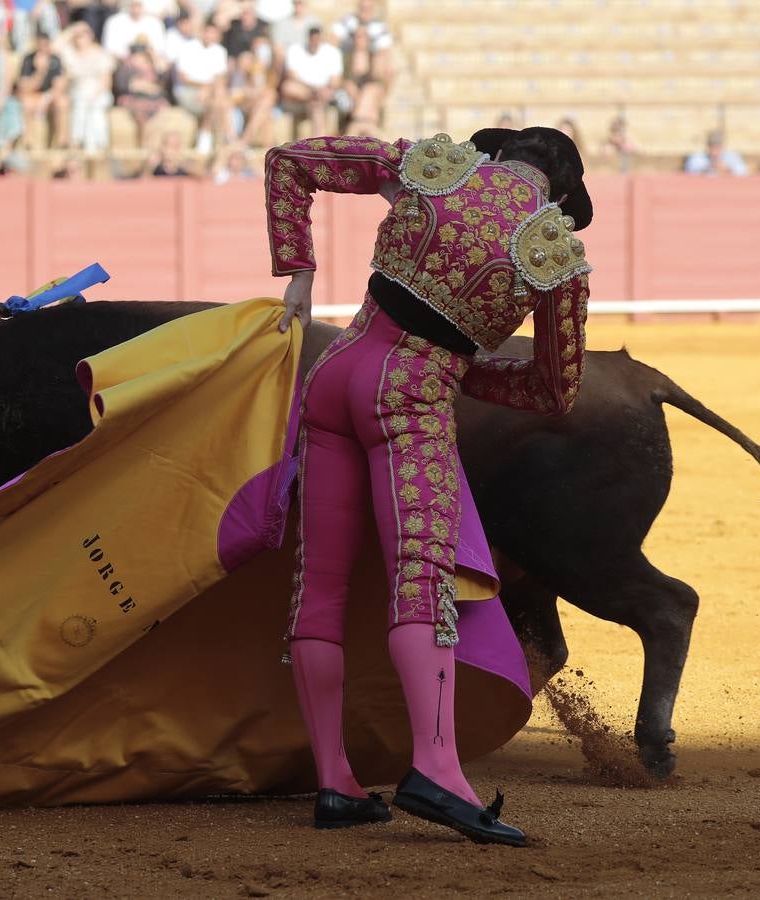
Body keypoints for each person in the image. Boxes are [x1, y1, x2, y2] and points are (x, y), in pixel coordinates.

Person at [267, 126, 593, 844]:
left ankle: (335, 783)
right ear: (562, 192)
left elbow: (291, 162)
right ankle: (438, 771)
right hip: (409, 397)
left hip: (334, 373)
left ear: (502, 152)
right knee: (419, 579)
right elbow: (553, 391)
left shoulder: (436, 166)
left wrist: (299, 273)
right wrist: (460, 368)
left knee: (318, 583)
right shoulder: (557, 252)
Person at [55, 21, 117, 151]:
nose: (80, 39)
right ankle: (78, 142)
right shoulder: (70, 54)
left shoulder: (101, 54)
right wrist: (73, 29)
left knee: (95, 109)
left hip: (99, 92)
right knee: (80, 105)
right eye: (77, 36)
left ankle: (99, 144)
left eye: (83, 35)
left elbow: (106, 82)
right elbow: (55, 45)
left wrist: (93, 95)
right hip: (78, 92)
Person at [172, 20, 232, 150]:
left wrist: (207, 89)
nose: (210, 36)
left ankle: (207, 139)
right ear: (202, 32)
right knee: (220, 100)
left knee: (216, 100)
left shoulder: (220, 51)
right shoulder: (188, 47)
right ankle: (229, 138)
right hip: (188, 91)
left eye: (213, 33)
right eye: (208, 32)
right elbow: (182, 78)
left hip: (209, 92)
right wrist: (205, 87)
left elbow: (220, 78)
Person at [279, 25, 342, 137]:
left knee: (316, 103)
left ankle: (316, 143)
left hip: (321, 93)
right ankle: (317, 146)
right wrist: (314, 90)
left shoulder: (333, 52)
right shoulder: (295, 49)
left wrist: (321, 91)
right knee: (290, 88)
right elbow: (291, 76)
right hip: (304, 92)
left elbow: (335, 82)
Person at [18, 29, 70, 148]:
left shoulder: (56, 60)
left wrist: (46, 99)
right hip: (33, 96)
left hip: (50, 96)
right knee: (25, 103)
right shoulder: (28, 59)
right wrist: (40, 72)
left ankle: (61, 141)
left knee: (62, 102)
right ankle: (27, 141)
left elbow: (59, 86)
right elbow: (25, 88)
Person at [114, 43, 168, 134]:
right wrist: (149, 87)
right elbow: (131, 86)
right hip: (133, 99)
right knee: (141, 115)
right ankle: (144, 143)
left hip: (154, 100)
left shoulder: (153, 67)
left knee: (163, 114)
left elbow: (161, 85)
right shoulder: (126, 68)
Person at [101, 0, 166, 61]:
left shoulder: (155, 23)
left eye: (138, 5)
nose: (136, 9)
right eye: (133, 5)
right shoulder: (114, 22)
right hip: (122, 62)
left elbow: (160, 50)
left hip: (149, 61)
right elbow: (109, 49)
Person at [684, 129, 748, 176]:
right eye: (712, 146)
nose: (715, 150)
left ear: (722, 146)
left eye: (718, 146)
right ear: (708, 146)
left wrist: (726, 169)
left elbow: (743, 171)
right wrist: (708, 168)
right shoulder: (698, 157)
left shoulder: (732, 156)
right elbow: (690, 171)